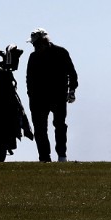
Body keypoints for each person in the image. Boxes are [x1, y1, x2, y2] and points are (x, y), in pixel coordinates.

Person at [25, 28, 78, 162]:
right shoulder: (33, 57)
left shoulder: (61, 53)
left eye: (36, 44)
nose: (35, 46)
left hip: (58, 96)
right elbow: (29, 78)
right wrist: (31, 95)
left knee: (60, 125)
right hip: (38, 99)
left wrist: (72, 90)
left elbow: (72, 73)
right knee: (40, 129)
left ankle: (62, 155)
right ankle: (44, 157)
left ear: (44, 41)